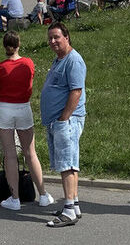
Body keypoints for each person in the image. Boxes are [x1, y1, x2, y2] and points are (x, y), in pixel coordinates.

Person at [0, 31, 54, 210]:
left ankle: (15, 198)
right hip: (23, 108)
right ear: (18, 45)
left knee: (10, 154)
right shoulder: (28, 63)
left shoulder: (0, 67)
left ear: (4, 47)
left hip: (4, 109)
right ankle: (42, 194)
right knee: (30, 153)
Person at [41, 23, 87, 227]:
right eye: (50, 38)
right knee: (69, 163)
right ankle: (74, 205)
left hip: (67, 121)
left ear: (67, 37)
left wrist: (64, 118)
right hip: (59, 121)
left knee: (66, 165)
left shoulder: (73, 60)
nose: (52, 42)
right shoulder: (59, 59)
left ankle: (68, 210)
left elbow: (76, 91)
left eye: (56, 37)